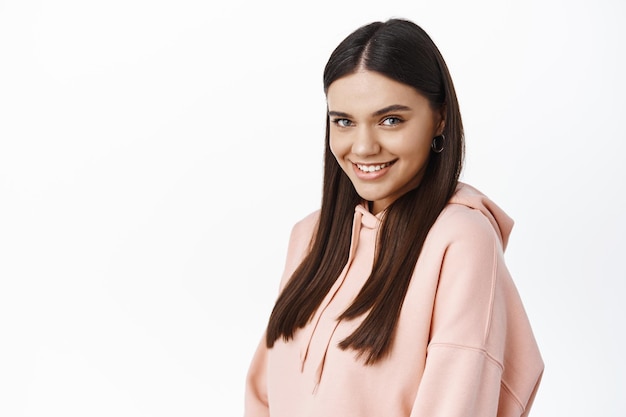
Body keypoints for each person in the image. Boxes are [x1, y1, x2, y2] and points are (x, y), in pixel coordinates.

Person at [244, 18, 544, 417]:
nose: (364, 146)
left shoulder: (461, 240)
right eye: (344, 121)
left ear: (439, 118)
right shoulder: (309, 237)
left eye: (391, 120)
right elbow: (262, 396)